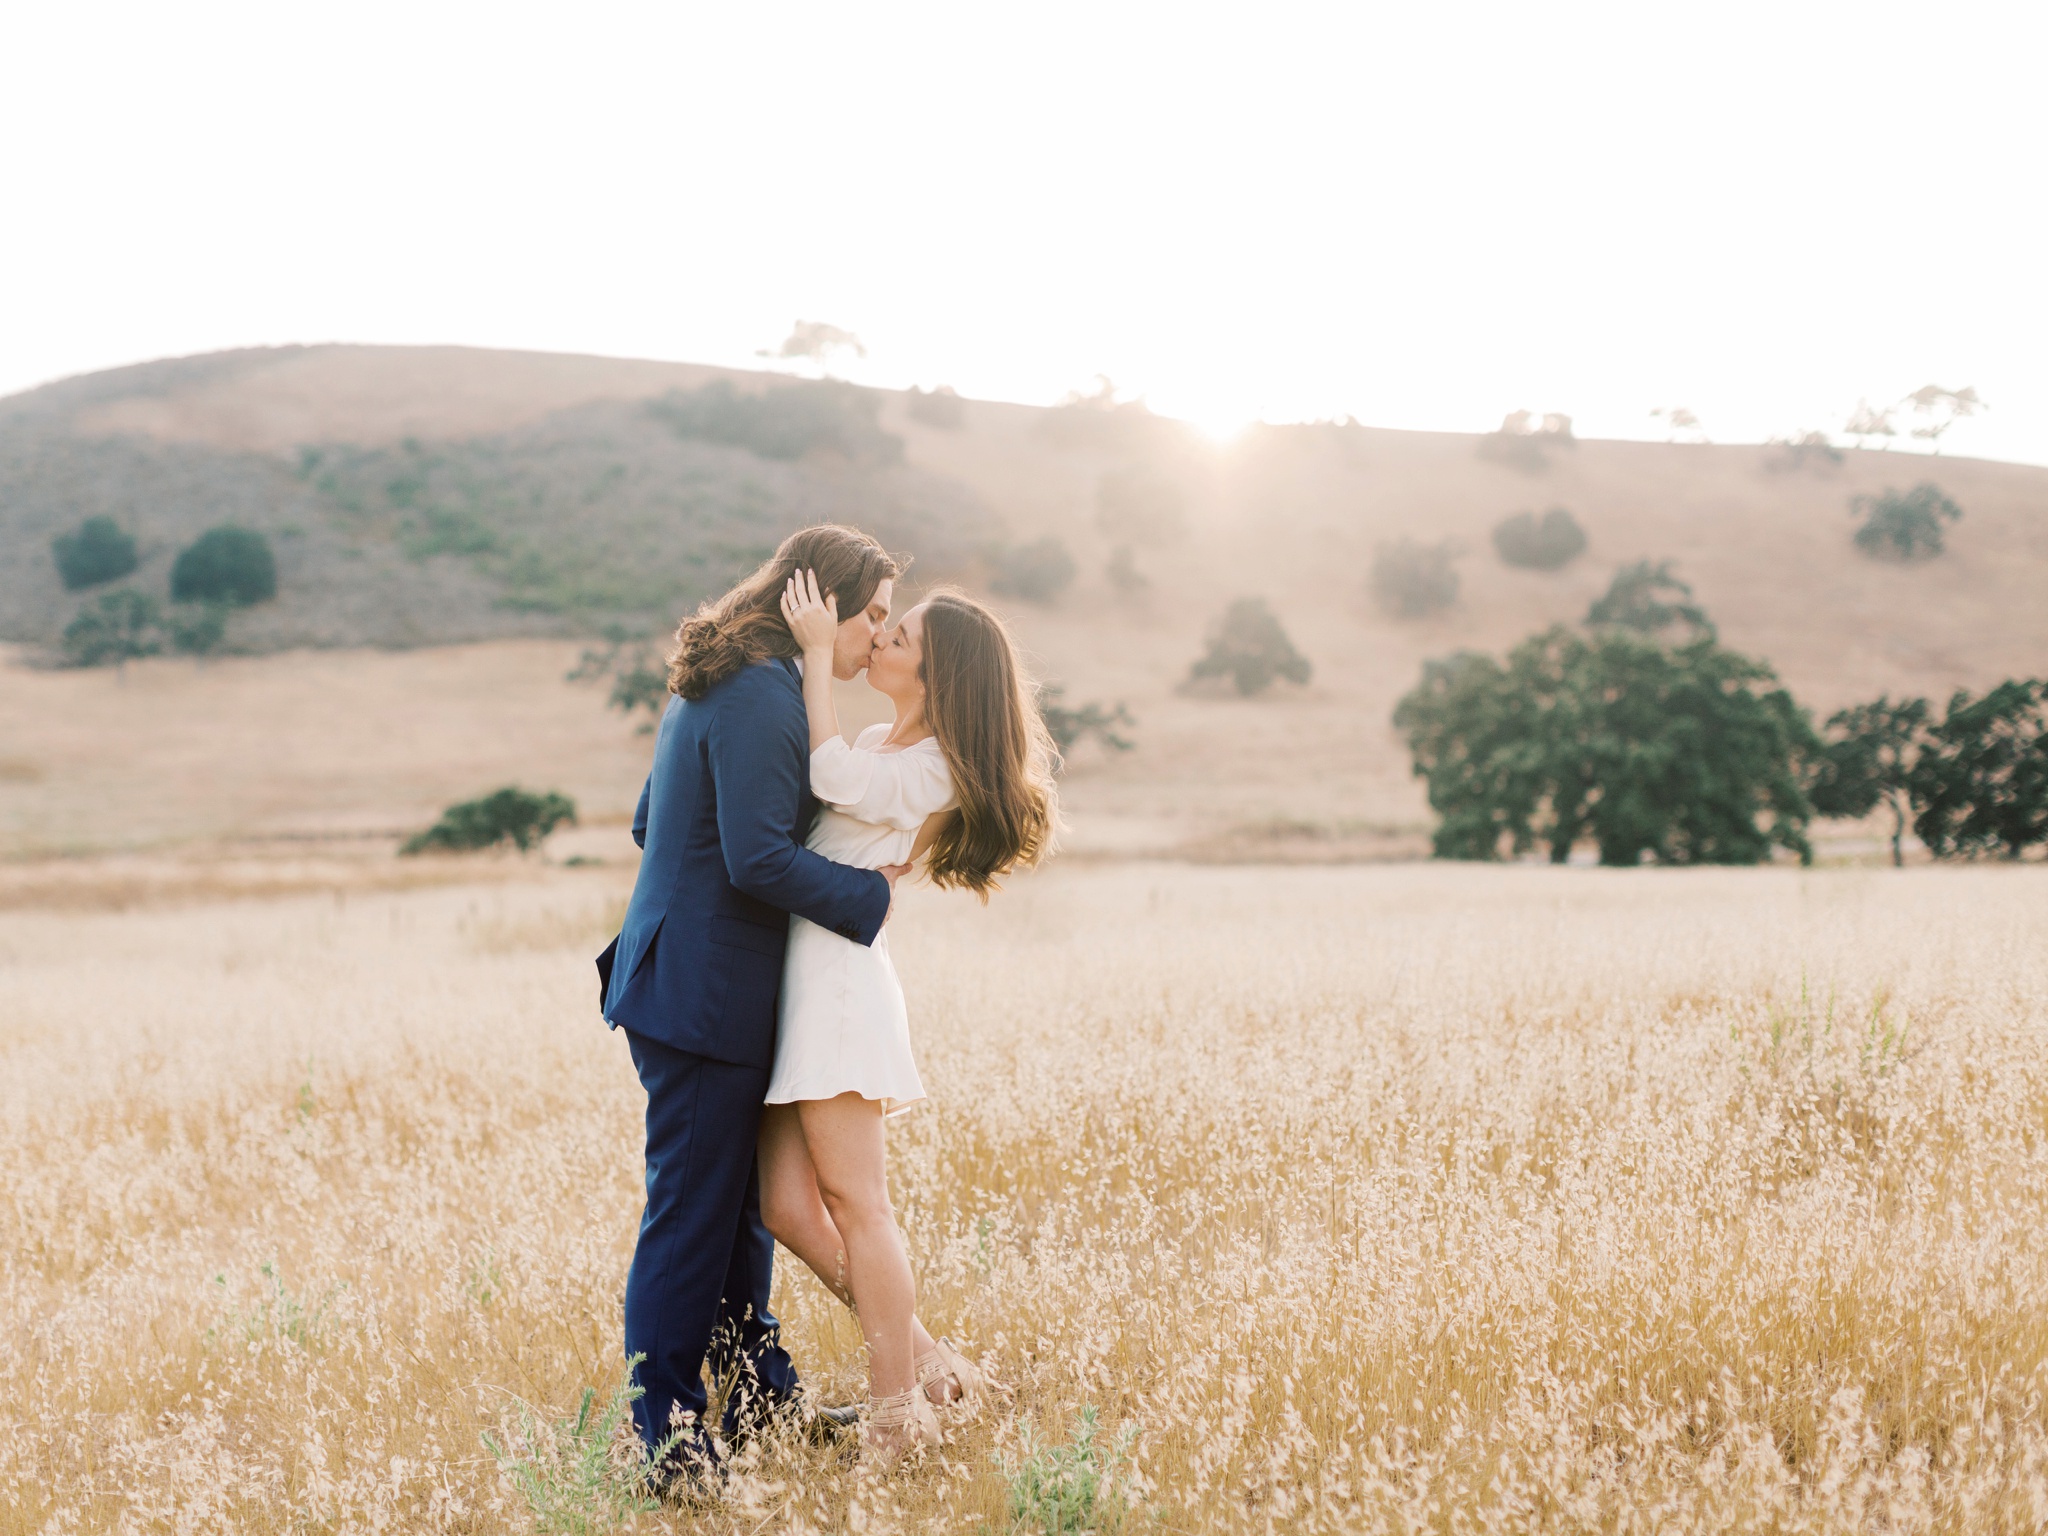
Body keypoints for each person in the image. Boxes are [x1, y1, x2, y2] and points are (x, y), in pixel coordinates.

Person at [596, 526, 910, 1482]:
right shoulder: (760, 695)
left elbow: (650, 820)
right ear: (825, 602)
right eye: (875, 614)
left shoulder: (733, 677)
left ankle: (762, 1403)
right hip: (703, 994)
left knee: (736, 1217)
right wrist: (871, 892)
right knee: (692, 1218)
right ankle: (667, 1441)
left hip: (695, 982)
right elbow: (758, 859)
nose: (880, 634)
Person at [757, 570, 1058, 1464]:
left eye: (902, 635)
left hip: (840, 992)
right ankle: (930, 1364)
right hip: (804, 985)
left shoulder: (930, 768)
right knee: (786, 1205)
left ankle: (896, 1415)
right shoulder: (887, 742)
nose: (881, 637)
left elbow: (829, 774)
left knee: (859, 1202)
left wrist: (816, 656)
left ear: (939, 675)